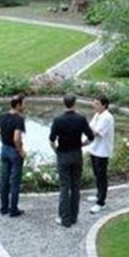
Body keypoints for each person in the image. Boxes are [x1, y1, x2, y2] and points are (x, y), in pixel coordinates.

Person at [49, 94, 95, 228]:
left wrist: (56, 151)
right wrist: (82, 144)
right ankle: (74, 217)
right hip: (76, 155)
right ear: (74, 104)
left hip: (63, 155)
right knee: (75, 186)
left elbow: (51, 140)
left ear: (64, 104)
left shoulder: (58, 120)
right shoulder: (81, 119)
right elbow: (91, 137)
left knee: (64, 187)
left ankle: (65, 219)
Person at [0, 94, 27, 217]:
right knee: (15, 181)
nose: (24, 106)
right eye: (23, 103)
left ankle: (4, 208)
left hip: (4, 150)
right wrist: (21, 150)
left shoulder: (3, 116)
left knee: (4, 180)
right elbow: (17, 138)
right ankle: (13, 210)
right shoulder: (19, 119)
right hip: (14, 152)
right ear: (18, 105)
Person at [87, 95, 114, 214]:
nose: (94, 105)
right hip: (95, 149)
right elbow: (89, 128)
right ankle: (99, 195)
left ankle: (101, 202)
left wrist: (83, 140)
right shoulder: (98, 115)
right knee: (96, 174)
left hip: (102, 151)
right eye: (94, 103)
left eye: (97, 103)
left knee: (102, 176)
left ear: (104, 105)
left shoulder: (107, 117)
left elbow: (95, 132)